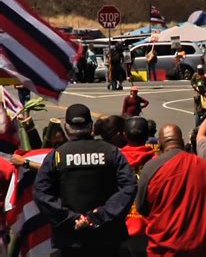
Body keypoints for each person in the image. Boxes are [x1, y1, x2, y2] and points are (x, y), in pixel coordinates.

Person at [34, 104, 137, 256]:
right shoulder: (111, 152)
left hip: (71, 238)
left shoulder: (56, 156)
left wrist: (70, 218)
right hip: (107, 237)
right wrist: (101, 215)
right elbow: (129, 186)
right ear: (91, 126)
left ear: (66, 127)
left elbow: (41, 193)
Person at [136, 124, 206, 256]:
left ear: (159, 145)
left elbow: (142, 207)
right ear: (182, 142)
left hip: (164, 249)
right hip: (202, 248)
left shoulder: (151, 167)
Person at [120, 117, 156, 257]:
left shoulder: (114, 159)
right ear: (148, 136)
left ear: (124, 135)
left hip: (121, 228)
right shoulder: (157, 161)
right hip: (149, 230)